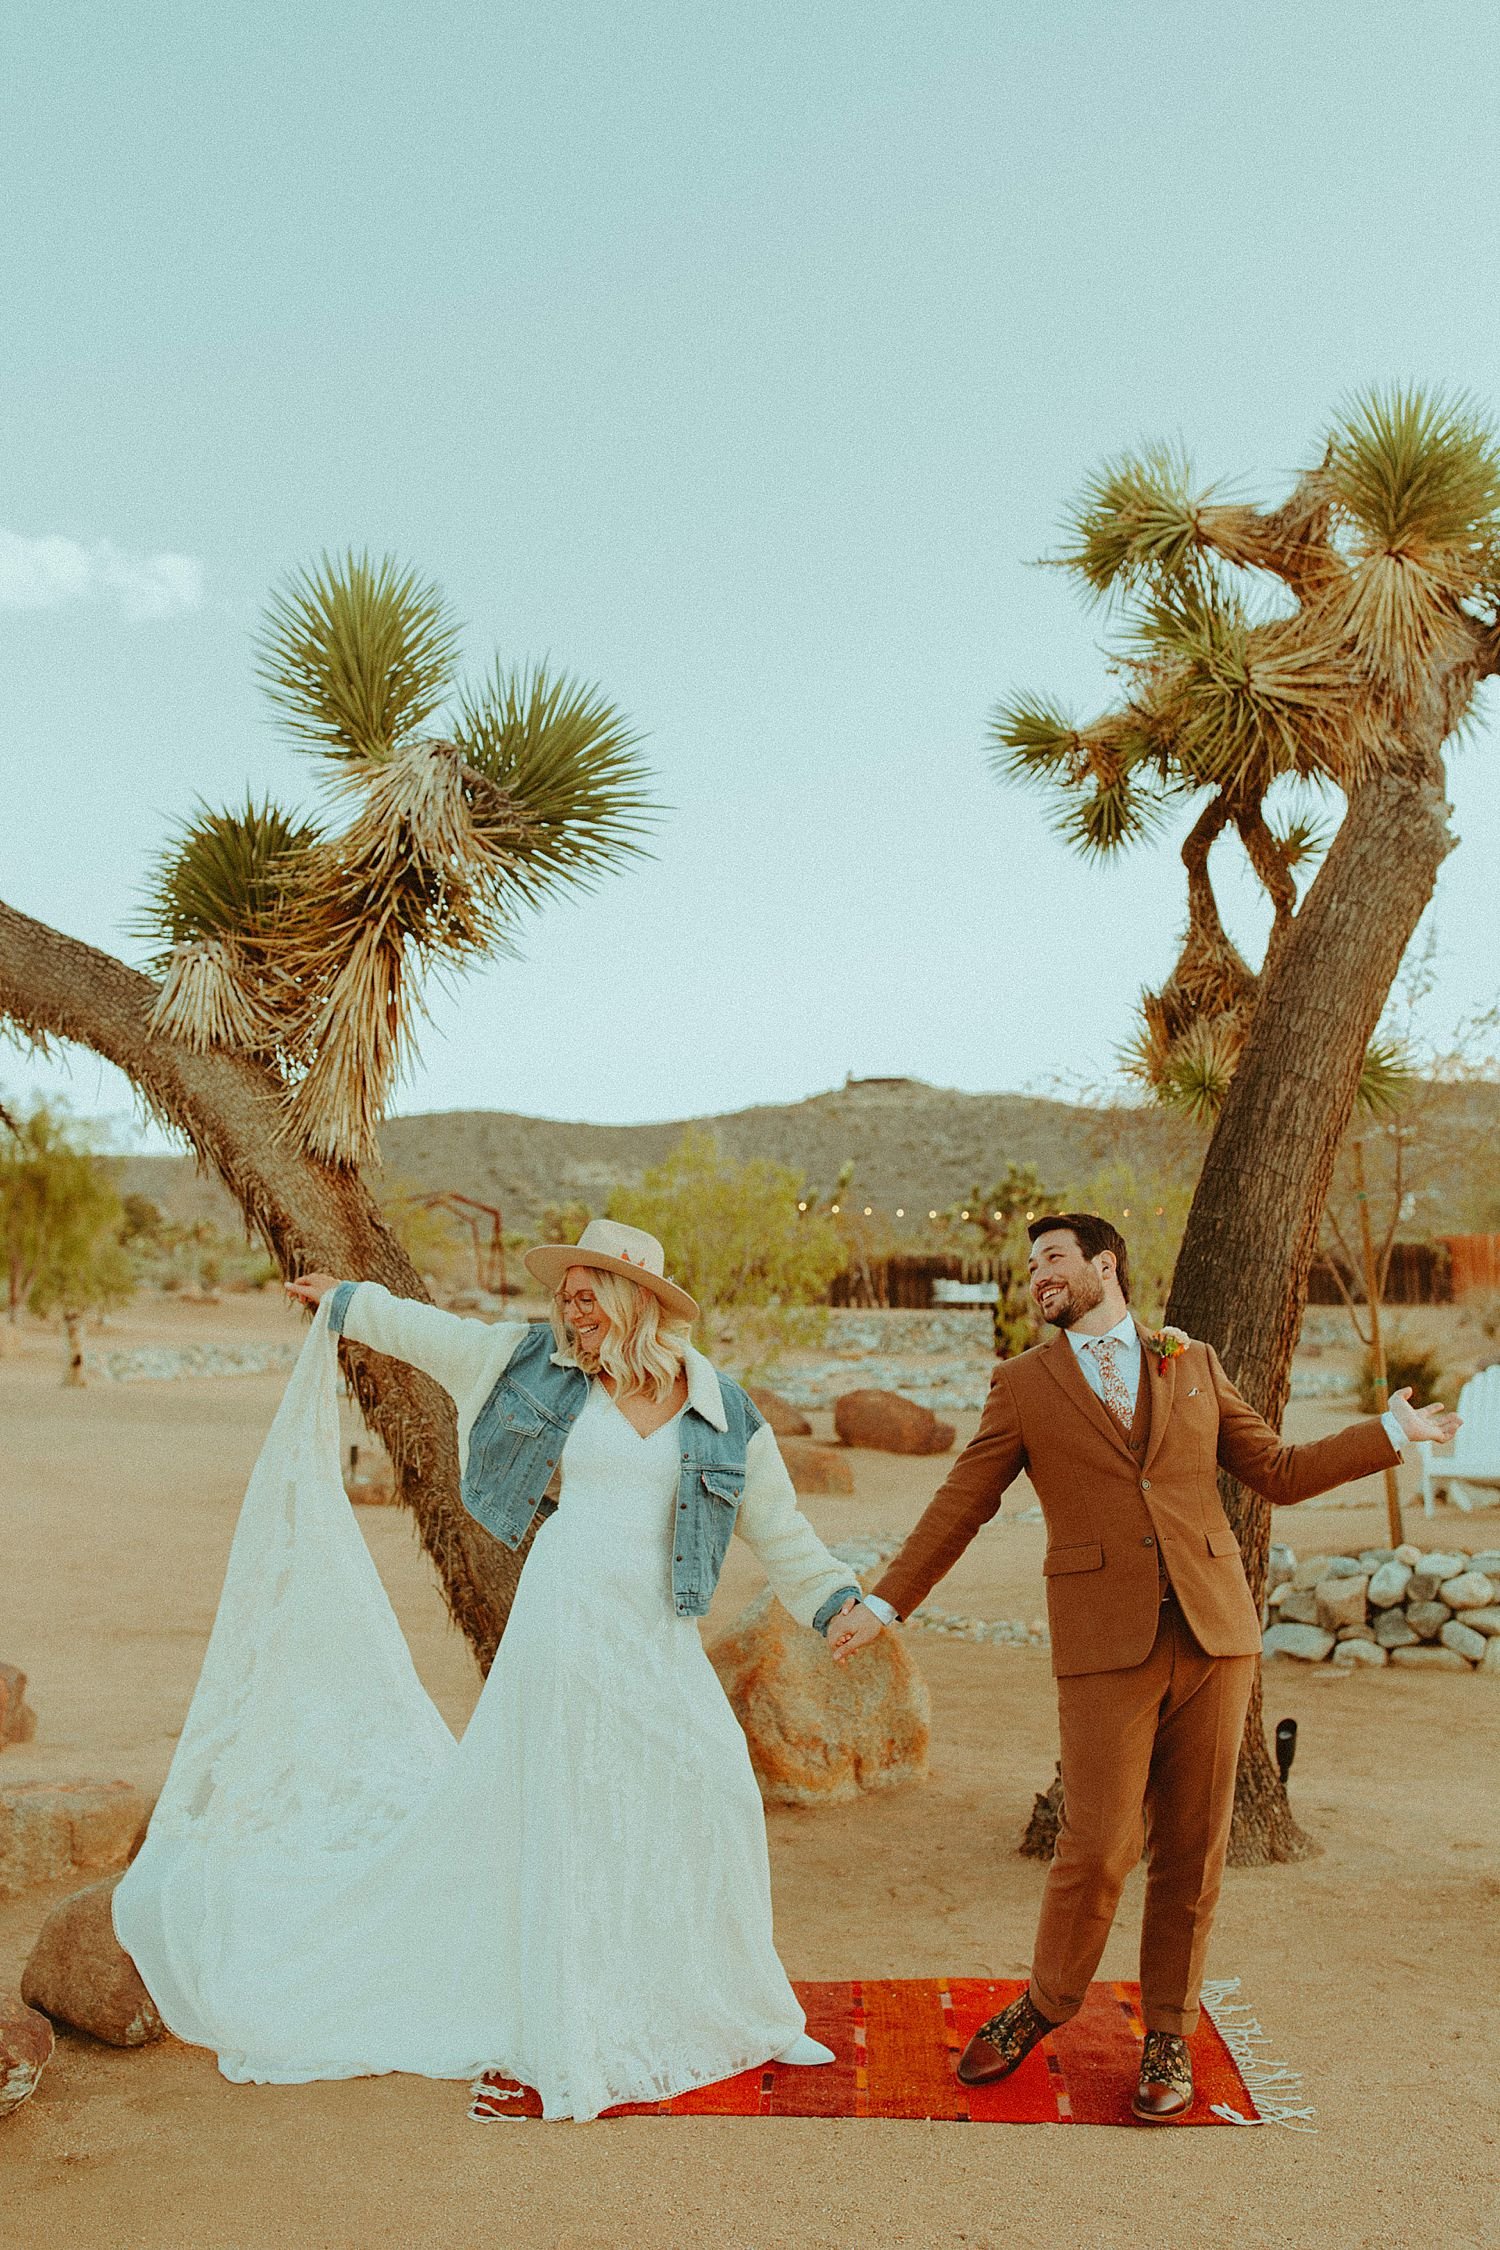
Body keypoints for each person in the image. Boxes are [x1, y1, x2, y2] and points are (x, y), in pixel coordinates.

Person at [114, 1219, 885, 2121]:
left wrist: (839, 1602)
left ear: (635, 1300)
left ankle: (749, 2009)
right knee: (571, 1800)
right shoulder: (534, 1364)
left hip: (655, 1628)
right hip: (566, 1616)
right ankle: (577, 2003)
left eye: (586, 1293)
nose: (569, 1307)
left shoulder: (726, 1412)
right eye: (564, 1295)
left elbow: (781, 1530)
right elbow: (432, 1335)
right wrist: (350, 1304)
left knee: (715, 1786)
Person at [829, 1212, 1461, 2122]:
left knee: (1195, 1847)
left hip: (1214, 1630)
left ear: (1104, 1265)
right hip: (1102, 1640)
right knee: (1092, 1846)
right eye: (1030, 1266)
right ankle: (1045, 2003)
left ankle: (1168, 2030)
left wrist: (1389, 1436)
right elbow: (961, 1502)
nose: (1037, 1276)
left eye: (1052, 1259)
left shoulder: (1189, 1361)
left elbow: (1277, 1469)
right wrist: (885, 1602)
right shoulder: (1022, 1384)